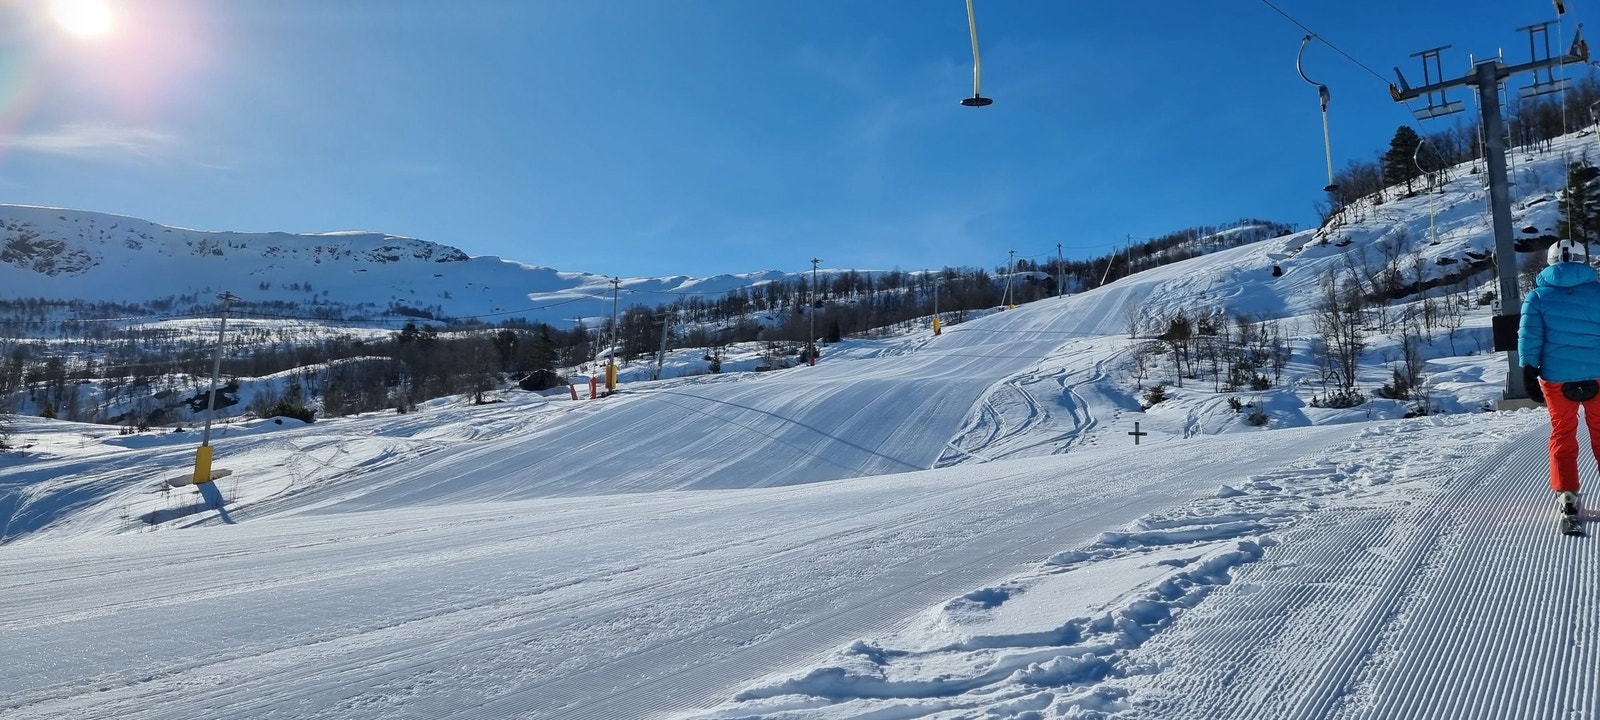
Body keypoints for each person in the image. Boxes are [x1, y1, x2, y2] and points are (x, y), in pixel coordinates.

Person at [1518, 238, 1600, 521]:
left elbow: (1530, 338)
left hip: (1556, 379)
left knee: (1562, 433)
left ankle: (1566, 494)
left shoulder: (1538, 297)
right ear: (1582, 260)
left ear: (1551, 261)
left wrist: (1529, 370)